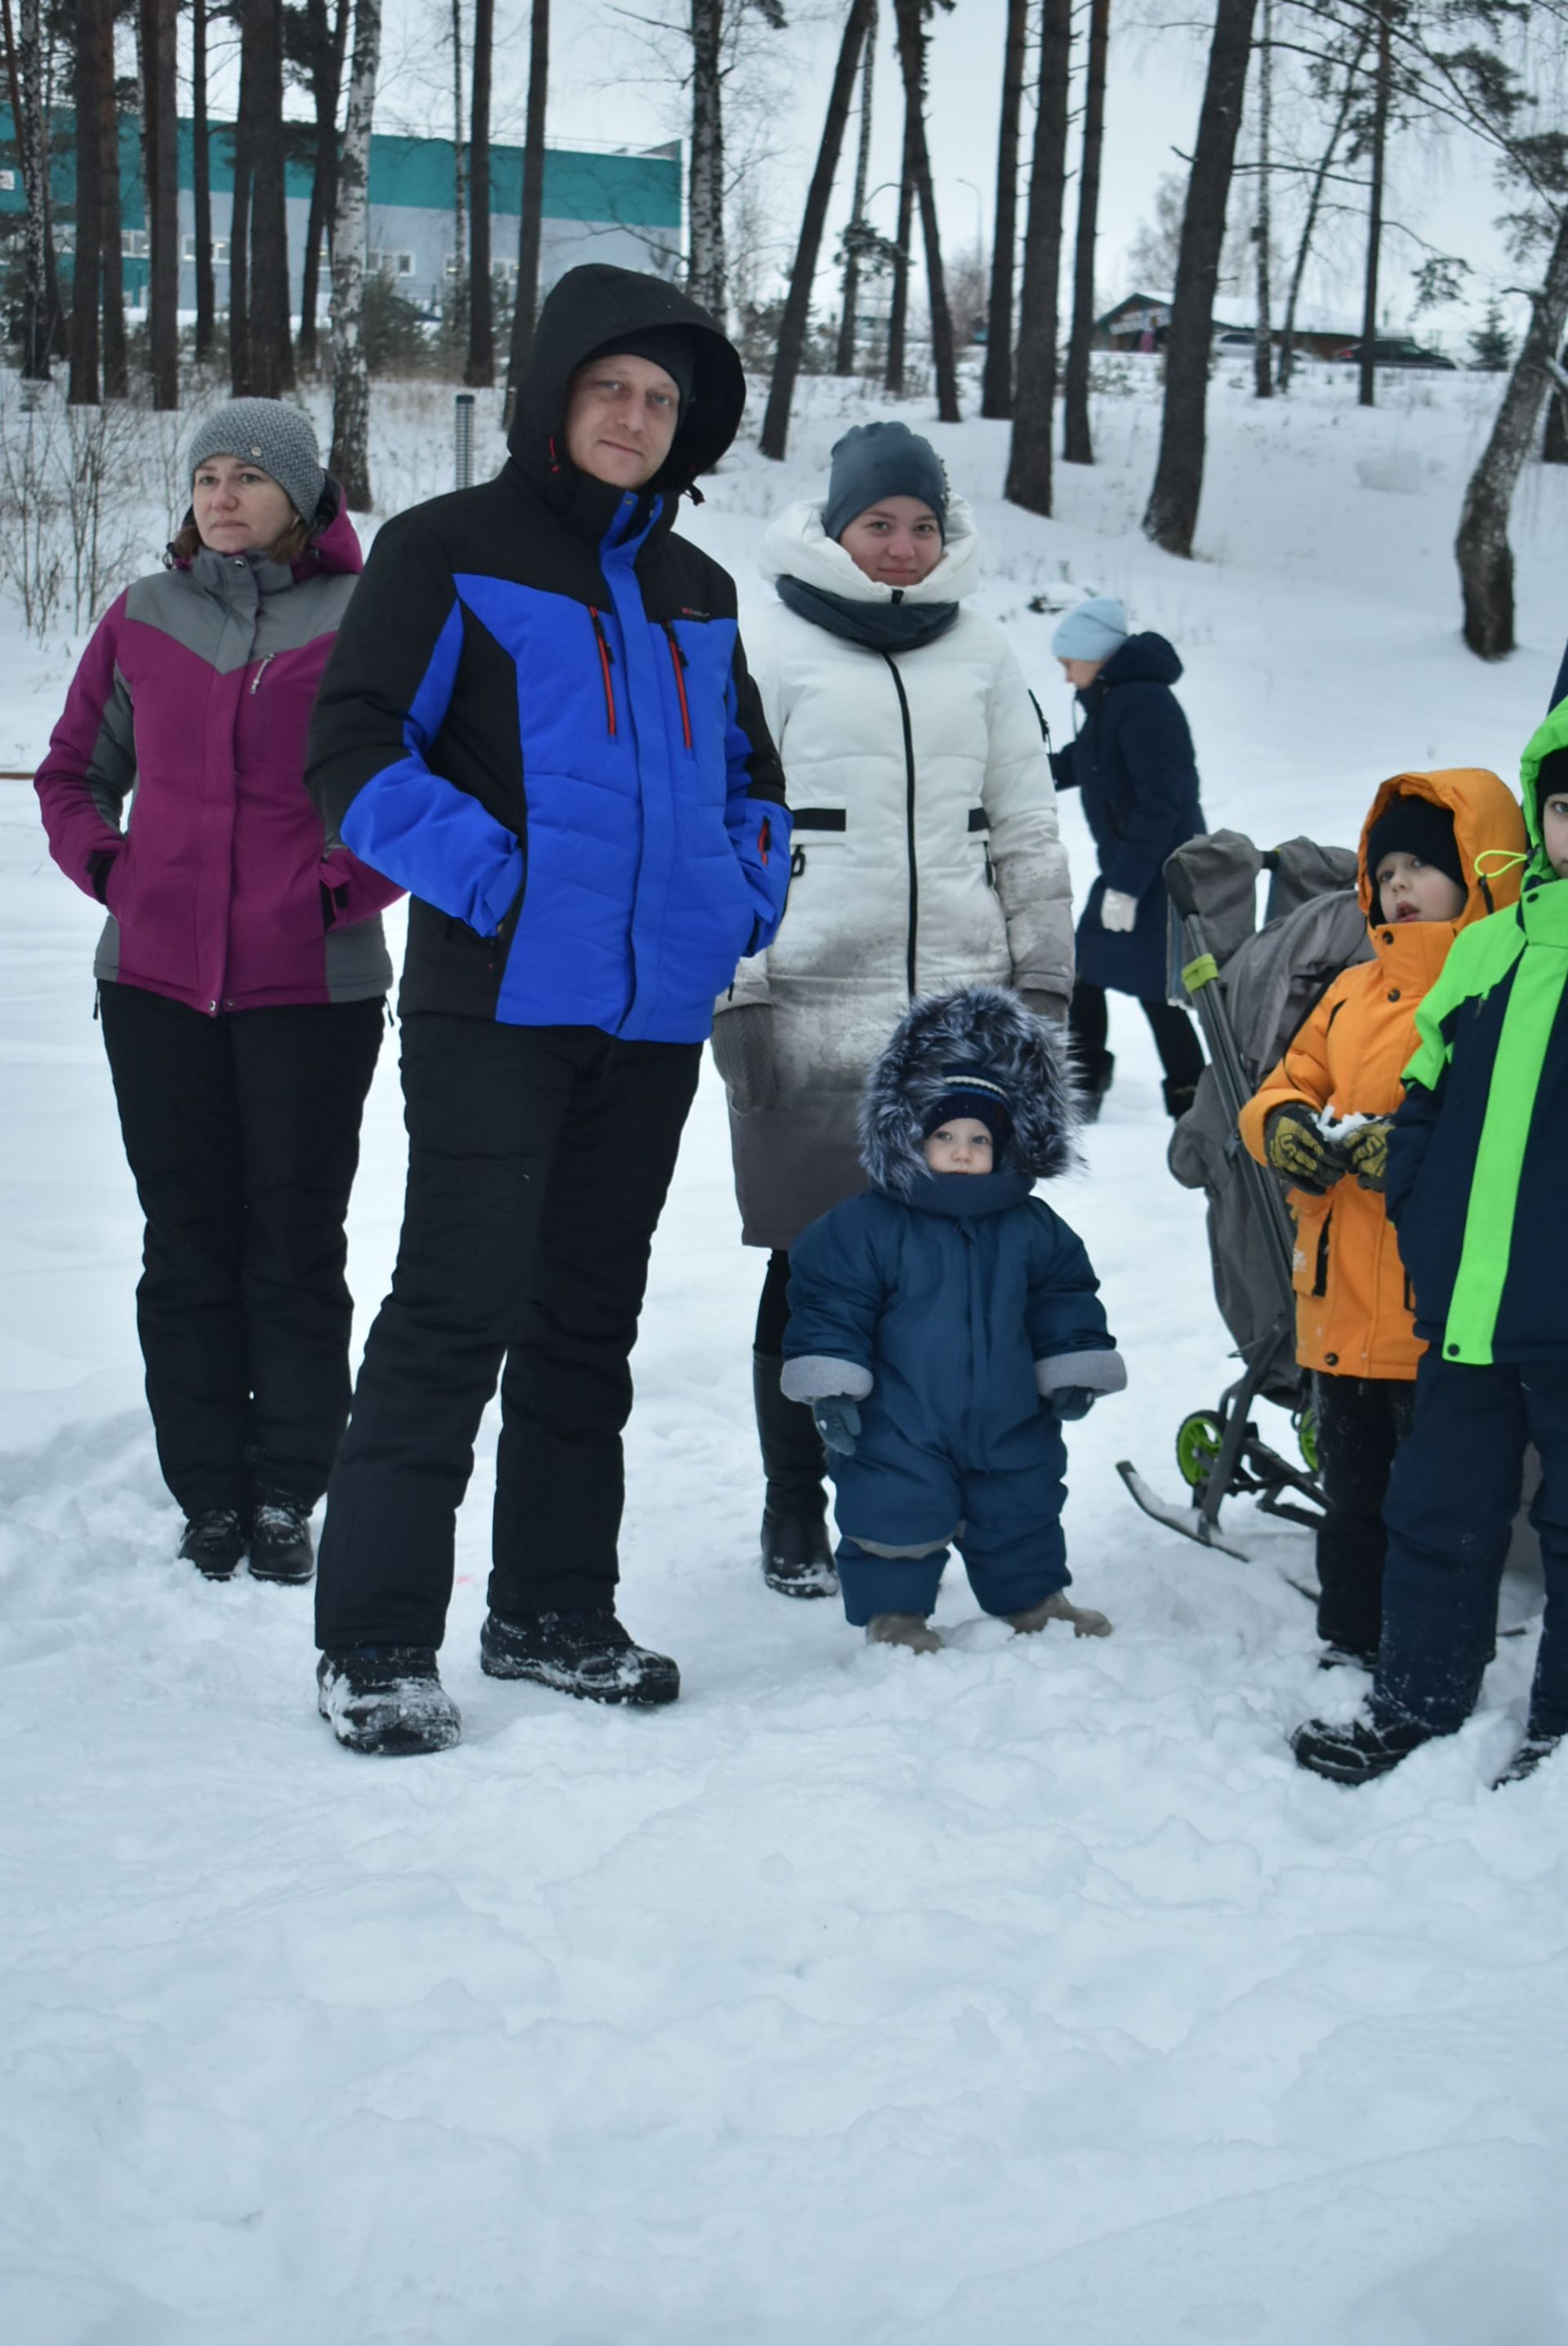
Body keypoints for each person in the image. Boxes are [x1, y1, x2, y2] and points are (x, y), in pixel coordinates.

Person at [305, 263, 791, 1756]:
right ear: (553, 395)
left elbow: (752, 785)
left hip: (650, 1021)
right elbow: (353, 749)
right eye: (612, 390)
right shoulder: (449, 549)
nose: (637, 417)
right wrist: (497, 882)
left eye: (663, 400)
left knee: (587, 1320)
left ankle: (553, 1609)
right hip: (497, 1005)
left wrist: (739, 895)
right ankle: (379, 1638)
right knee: (456, 1310)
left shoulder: (699, 588)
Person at [33, 399, 399, 1585]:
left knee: (293, 1240)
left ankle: (291, 1483)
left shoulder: (365, 618)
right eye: (208, 477)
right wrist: (112, 870)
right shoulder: (143, 616)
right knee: (185, 1241)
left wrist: (336, 895)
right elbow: (73, 772)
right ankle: (209, 1489)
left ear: (302, 497)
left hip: (313, 988)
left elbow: (417, 787)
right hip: (155, 985)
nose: (224, 496)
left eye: (251, 476)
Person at [714, 421, 1075, 1603]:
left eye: (923, 524)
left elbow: (1024, 826)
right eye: (880, 523)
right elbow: (722, 826)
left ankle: (931, 1490)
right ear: (835, 526)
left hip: (959, 1020)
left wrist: (1045, 981)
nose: (905, 545)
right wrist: (740, 995)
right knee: (814, 1270)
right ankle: (794, 1498)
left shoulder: (980, 649)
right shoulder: (765, 639)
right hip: (812, 1004)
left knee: (962, 1266)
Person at [1293, 709, 1568, 1787]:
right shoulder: (1492, 950)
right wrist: (1414, 1205)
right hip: (1464, 1306)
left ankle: (1556, 1727)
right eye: (1560, 802)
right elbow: (1423, 1097)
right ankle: (1417, 1699)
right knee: (1436, 1514)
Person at [1237, 769, 1526, 1668]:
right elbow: (1291, 1080)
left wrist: (1408, 1148)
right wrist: (1280, 1124)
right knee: (1353, 1497)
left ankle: (1427, 1640)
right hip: (1337, 1306)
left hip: (1433, 1313)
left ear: (1480, 871)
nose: (1399, 885)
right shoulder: (1352, 992)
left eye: (1422, 867)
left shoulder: (1498, 989)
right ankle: (1350, 1638)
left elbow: (1490, 1123)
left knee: (1435, 1500)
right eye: (1387, 867)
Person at [780, 987, 1124, 1652]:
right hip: (900, 1417)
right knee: (893, 1506)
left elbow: (1065, 1295)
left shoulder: (1032, 1229)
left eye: (978, 1138)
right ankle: (896, 1615)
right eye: (944, 1135)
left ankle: (1035, 1598)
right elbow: (831, 1304)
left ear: (1010, 1144)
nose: (962, 1151)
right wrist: (831, 1384)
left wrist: (1072, 1362)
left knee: (1021, 1502)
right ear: (911, 1136)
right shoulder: (865, 1227)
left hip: (1009, 1410)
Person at [1048, 595, 1205, 1121]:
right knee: (1087, 970)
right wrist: (1022, 769)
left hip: (1162, 870)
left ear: (1095, 655)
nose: (1068, 677)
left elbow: (1161, 802)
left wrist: (1127, 886)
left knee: (1158, 989)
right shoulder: (1114, 700)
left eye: (1070, 663)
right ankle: (1083, 1082)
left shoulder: (1144, 704)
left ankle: (1193, 1098)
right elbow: (1083, 763)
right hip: (1135, 866)